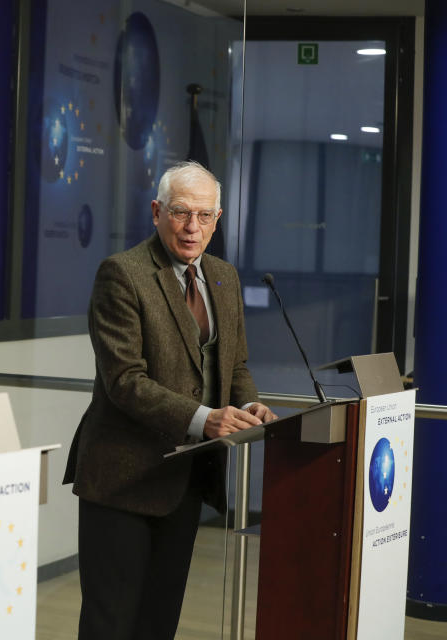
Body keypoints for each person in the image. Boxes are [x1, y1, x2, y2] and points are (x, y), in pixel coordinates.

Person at [63, 161, 277, 639]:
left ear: (218, 220)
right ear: (157, 211)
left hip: (184, 477)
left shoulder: (223, 276)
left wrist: (250, 405)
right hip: (122, 477)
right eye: (181, 213)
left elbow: (234, 364)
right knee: (110, 623)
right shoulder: (123, 274)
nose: (192, 227)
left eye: (204, 216)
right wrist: (206, 419)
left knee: (159, 621)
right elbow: (124, 381)